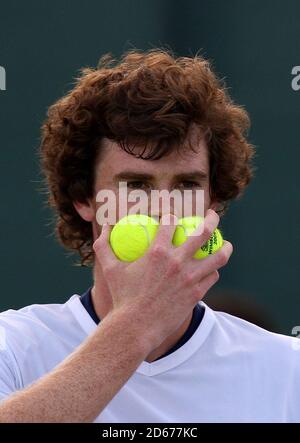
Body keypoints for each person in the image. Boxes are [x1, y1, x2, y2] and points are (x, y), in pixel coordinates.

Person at [0, 49, 299, 423]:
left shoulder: (289, 368)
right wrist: (140, 321)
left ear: (214, 202)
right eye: (136, 184)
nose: (164, 210)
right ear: (84, 198)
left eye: (187, 184)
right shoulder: (11, 345)